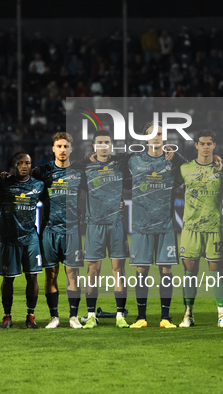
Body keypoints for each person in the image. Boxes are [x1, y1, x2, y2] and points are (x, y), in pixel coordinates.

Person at [127, 122, 187, 329]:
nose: (156, 137)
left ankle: (165, 318)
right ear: (145, 138)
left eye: (160, 133)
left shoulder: (172, 160)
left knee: (166, 270)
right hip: (142, 226)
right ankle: (141, 317)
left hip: (165, 225)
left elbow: (193, 167)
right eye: (151, 133)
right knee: (141, 269)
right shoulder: (134, 160)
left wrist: (176, 155)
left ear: (165, 137)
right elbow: (109, 170)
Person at [176, 130, 223, 328]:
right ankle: (188, 315)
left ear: (214, 145)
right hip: (190, 228)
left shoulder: (220, 169)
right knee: (190, 272)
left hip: (214, 228)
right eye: (202, 143)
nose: (205, 147)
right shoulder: (184, 168)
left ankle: (222, 316)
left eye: (209, 143)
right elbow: (166, 185)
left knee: (217, 272)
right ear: (196, 145)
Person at [33, 132, 86, 329]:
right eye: (59, 146)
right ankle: (54, 316)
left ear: (71, 149)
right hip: (49, 229)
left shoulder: (80, 171)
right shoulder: (43, 171)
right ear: (53, 149)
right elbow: (20, 177)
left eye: (66, 146)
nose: (63, 150)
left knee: (72, 273)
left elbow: (98, 192)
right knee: (51, 275)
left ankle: (73, 316)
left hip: (72, 231)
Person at [81, 130, 131, 329]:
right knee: (92, 271)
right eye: (99, 142)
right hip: (94, 225)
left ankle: (120, 315)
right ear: (94, 145)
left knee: (119, 270)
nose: (103, 145)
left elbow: (134, 156)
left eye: (107, 142)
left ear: (111, 144)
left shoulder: (120, 164)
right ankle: (91, 315)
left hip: (116, 224)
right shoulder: (85, 166)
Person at [0, 152, 45, 329]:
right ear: (14, 165)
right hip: (9, 239)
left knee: (32, 278)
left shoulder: (39, 185)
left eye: (28, 163)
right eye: (20, 163)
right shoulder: (5, 183)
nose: (24, 166)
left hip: (30, 239)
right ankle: (7, 316)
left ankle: (30, 315)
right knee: (8, 280)